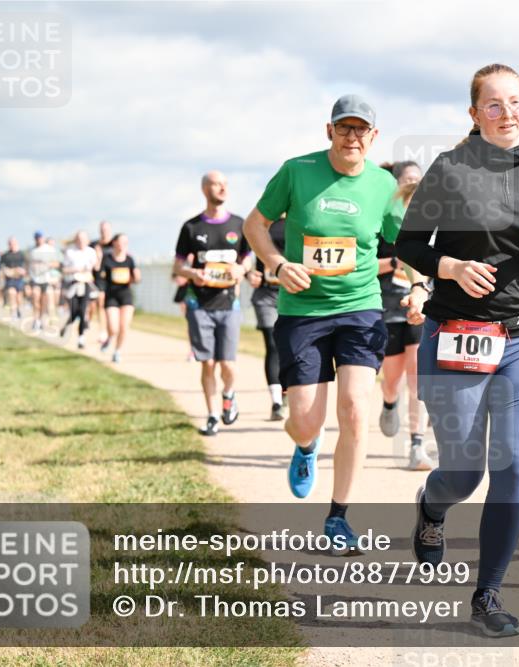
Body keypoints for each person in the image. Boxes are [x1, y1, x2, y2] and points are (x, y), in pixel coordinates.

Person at [396, 64, 519, 637]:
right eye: (492, 105)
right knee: (463, 473)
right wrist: (452, 267)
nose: (506, 113)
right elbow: (410, 244)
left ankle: (487, 593)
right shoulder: (450, 168)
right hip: (455, 334)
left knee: (515, 466)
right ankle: (432, 506)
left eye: (514, 102)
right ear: (474, 114)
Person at [244, 94, 402, 554]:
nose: (352, 137)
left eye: (361, 130)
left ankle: (338, 517)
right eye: (344, 128)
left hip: (360, 307)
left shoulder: (382, 184)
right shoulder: (297, 171)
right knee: (304, 421)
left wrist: (418, 284)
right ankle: (307, 446)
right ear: (328, 130)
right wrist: (275, 263)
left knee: (355, 408)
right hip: (302, 311)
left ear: (373, 137)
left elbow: (405, 241)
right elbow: (256, 224)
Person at [174, 171, 253, 436]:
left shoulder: (239, 224)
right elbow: (178, 266)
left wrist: (241, 270)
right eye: (216, 184)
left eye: (225, 184)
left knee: (228, 364)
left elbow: (248, 258)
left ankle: (229, 395)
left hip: (229, 304)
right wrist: (193, 273)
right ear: (204, 189)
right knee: (207, 364)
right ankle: (212, 415)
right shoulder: (191, 227)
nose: (222, 188)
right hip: (200, 305)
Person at [376, 175, 432, 470]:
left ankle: (416, 445)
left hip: (421, 310)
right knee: (392, 379)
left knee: (417, 378)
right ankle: (387, 403)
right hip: (389, 310)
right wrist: (395, 263)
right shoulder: (385, 231)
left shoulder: (434, 229)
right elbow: (365, 265)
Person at [247, 215, 287, 420]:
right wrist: (249, 274)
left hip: (294, 293)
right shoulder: (260, 224)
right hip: (266, 295)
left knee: (292, 345)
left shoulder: (302, 220)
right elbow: (245, 258)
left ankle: (288, 390)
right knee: (272, 345)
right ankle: (276, 402)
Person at [99, 233, 141, 363]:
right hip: (111, 295)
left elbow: (136, 278)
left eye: (126, 243)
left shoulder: (129, 259)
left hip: (125, 295)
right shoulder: (107, 259)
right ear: (114, 243)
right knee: (113, 327)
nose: (123, 245)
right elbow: (101, 277)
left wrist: (137, 277)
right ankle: (110, 338)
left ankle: (117, 351)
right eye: (121, 242)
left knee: (124, 326)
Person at [60, 231, 99, 349]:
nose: (81, 242)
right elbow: (64, 269)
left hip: (86, 283)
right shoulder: (70, 252)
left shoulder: (91, 252)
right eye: (79, 239)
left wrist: (96, 262)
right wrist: (75, 269)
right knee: (74, 311)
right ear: (76, 240)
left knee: (82, 310)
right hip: (73, 284)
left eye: (84, 239)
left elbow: (96, 267)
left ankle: (81, 337)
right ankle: (67, 325)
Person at [28, 231, 60, 332]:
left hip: (46, 279)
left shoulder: (49, 249)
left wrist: (48, 265)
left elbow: (57, 263)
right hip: (35, 279)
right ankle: (36, 319)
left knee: (43, 302)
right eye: (37, 238)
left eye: (40, 237)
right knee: (35, 298)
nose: (39, 239)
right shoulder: (32, 251)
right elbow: (29, 265)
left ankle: (40, 320)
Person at [92, 220, 116, 349]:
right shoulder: (94, 245)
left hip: (113, 278)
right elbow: (92, 265)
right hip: (100, 277)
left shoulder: (115, 244)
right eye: (102, 229)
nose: (104, 232)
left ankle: (111, 329)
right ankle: (102, 331)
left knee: (110, 305)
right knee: (101, 302)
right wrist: (98, 257)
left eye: (106, 229)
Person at [0, 236, 28, 320]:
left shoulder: (21, 254)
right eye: (10, 243)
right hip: (10, 280)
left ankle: (19, 310)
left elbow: (27, 266)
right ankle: (13, 313)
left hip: (19, 279)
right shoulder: (5, 255)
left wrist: (23, 271)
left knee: (19, 298)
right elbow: (1, 267)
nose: (11, 245)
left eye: (13, 243)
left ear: (16, 243)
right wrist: (7, 271)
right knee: (12, 293)